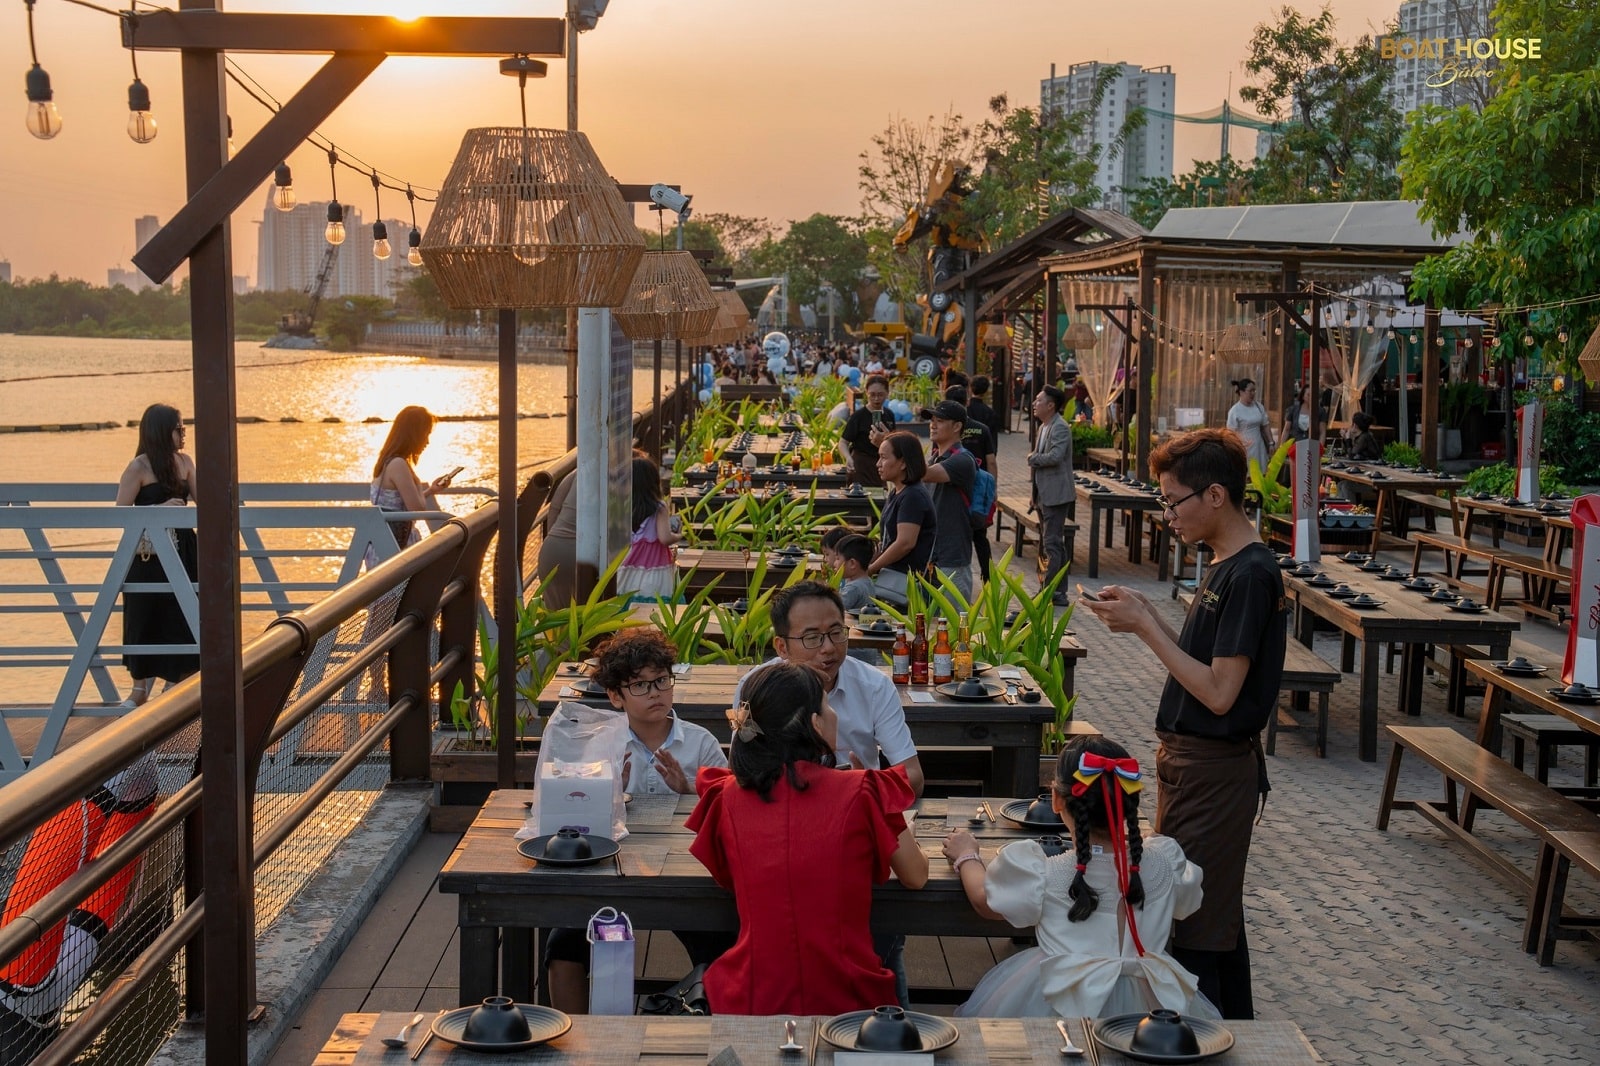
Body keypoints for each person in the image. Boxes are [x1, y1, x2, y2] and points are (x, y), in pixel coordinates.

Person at [1080, 429, 1286, 1019]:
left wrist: (1145, 630)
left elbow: (1221, 694)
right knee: (1211, 912)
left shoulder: (1248, 574)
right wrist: (1145, 613)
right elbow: (1206, 662)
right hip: (1193, 768)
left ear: (1216, 495)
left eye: (1173, 501)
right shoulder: (1225, 563)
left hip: (1215, 771)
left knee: (1196, 921)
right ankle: (1235, 1032)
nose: (1167, 514)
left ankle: (1200, 1037)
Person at [688, 661, 928, 1015]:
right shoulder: (862, 791)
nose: (834, 715)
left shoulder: (724, 797)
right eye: (828, 706)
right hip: (850, 995)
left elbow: (727, 877)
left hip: (751, 994)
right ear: (815, 724)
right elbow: (916, 875)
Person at [941, 735, 1214, 1020]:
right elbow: (1187, 903)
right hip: (1150, 1004)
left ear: (1057, 800)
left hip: (1064, 1004)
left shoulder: (1045, 872)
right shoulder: (1166, 862)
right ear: (1130, 803)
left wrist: (967, 856)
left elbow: (986, 902)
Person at [545, 629, 730, 1013]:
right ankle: (576, 1044)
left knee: (722, 944)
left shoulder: (701, 743)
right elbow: (569, 812)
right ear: (616, 696)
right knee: (562, 945)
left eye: (662, 681)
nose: (655, 693)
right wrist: (608, 793)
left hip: (686, 879)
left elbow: (730, 814)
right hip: (610, 874)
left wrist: (689, 790)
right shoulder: (597, 743)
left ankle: (709, 1026)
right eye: (640, 686)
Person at [115, 403, 199, 708]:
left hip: (184, 551)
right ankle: (139, 692)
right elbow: (120, 514)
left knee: (183, 617)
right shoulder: (138, 467)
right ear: (162, 430)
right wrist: (157, 511)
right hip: (148, 556)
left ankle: (172, 688)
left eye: (183, 427)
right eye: (178, 428)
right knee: (144, 614)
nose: (183, 433)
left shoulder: (185, 462)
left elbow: (205, 501)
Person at [371, 405, 454, 552]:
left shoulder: (390, 461)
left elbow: (400, 504)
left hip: (384, 543)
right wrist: (420, 489)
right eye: (425, 435)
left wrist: (431, 491)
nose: (427, 442)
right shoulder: (398, 465)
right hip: (394, 548)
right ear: (414, 435)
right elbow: (417, 508)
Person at [919, 399, 977, 603]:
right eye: (932, 420)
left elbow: (923, 474)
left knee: (952, 628)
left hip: (952, 560)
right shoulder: (935, 457)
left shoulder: (963, 460)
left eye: (940, 420)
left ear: (957, 426)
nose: (933, 425)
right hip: (929, 558)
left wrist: (894, 445)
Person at [865, 432, 936, 595]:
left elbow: (905, 543)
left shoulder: (913, 496)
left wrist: (871, 569)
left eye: (883, 457)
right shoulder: (898, 492)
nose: (878, 464)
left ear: (903, 462)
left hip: (909, 587)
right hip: (894, 580)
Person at [946, 384, 998, 582]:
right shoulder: (981, 429)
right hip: (978, 491)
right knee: (980, 536)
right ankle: (988, 578)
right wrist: (993, 491)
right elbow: (991, 460)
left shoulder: (946, 431)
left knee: (958, 535)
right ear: (967, 401)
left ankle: (956, 576)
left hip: (954, 489)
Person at [1028, 386, 1075, 605]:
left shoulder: (1060, 428)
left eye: (1038, 400)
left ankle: (1049, 591)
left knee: (1052, 543)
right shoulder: (1043, 426)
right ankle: (1058, 592)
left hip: (1056, 494)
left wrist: (1034, 458)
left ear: (1051, 406)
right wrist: (1034, 495)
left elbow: (1056, 456)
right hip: (1043, 494)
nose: (1034, 404)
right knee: (1054, 543)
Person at [616, 455, 681, 602]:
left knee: (626, 607)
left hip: (627, 567)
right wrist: (678, 536)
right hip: (655, 568)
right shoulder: (659, 508)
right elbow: (664, 538)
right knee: (654, 605)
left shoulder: (622, 506)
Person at [839, 375, 896, 487]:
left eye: (880, 395)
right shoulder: (858, 416)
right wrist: (848, 458)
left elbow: (895, 442)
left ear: (887, 393)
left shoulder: (889, 415)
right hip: (861, 465)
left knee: (879, 499)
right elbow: (843, 442)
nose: (876, 399)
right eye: (872, 395)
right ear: (866, 393)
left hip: (881, 465)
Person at [535, 473, 582, 609]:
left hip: (552, 550)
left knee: (556, 620)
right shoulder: (623, 474)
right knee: (585, 623)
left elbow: (554, 510)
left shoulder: (576, 473)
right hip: (585, 558)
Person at [1225, 379, 1274, 472]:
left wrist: (1271, 442)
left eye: (1254, 391)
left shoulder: (1258, 406)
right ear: (1241, 392)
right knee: (1247, 473)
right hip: (1244, 447)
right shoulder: (1235, 410)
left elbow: (1265, 425)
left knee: (1261, 472)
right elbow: (1230, 433)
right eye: (1250, 391)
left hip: (1259, 446)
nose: (1253, 393)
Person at [834, 533, 876, 612]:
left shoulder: (853, 588)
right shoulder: (867, 581)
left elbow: (834, 610)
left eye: (837, 558)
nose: (834, 563)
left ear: (852, 563)